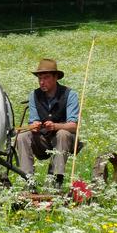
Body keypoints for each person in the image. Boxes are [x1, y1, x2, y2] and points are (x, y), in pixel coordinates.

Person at [16, 59, 79, 190]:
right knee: (22, 136)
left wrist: (56, 126)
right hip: (43, 141)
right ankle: (28, 181)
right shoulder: (34, 95)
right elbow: (33, 121)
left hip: (65, 141)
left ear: (56, 77)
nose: (42, 82)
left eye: (46, 78)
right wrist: (35, 125)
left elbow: (74, 126)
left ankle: (56, 180)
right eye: (39, 78)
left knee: (62, 133)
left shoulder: (70, 95)